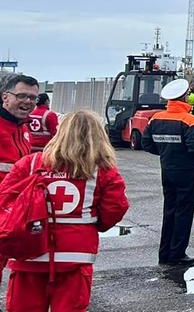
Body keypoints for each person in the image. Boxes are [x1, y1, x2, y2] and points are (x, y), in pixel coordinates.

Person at [0, 109, 129, 312]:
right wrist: (98, 225)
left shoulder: (30, 163)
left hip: (29, 250)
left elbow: (5, 198)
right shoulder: (102, 170)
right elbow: (115, 207)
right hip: (76, 255)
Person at [142, 78, 194, 266]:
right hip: (186, 171)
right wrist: (192, 161)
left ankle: (165, 253)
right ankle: (177, 253)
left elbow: (146, 143)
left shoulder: (156, 118)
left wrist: (165, 154)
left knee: (169, 210)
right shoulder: (188, 119)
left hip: (166, 169)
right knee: (184, 211)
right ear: (185, 97)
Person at [1, 74, 40, 274]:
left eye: (33, 98)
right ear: (5, 97)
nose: (28, 101)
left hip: (11, 212)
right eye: (22, 96)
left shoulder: (23, 127)